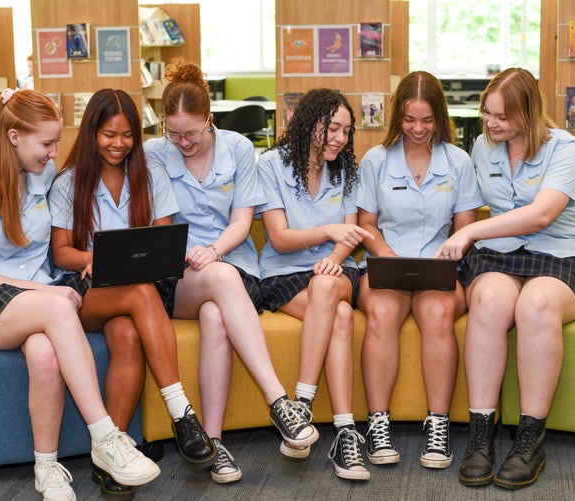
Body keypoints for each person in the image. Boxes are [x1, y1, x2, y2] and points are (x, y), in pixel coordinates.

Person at [0, 88, 159, 501]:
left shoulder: (44, 175)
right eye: (46, 143)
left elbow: (61, 246)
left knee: (46, 358)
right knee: (58, 305)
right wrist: (45, 291)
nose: (55, 152)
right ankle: (106, 437)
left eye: (56, 141)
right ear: (14, 136)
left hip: (39, 304)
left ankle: (46, 467)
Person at [143, 58, 319, 484]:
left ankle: (215, 441)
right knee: (218, 282)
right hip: (177, 272)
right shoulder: (153, 154)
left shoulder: (239, 148)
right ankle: (279, 401)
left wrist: (215, 251)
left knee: (215, 315)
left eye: (192, 132)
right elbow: (159, 225)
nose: (183, 142)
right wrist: (195, 255)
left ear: (210, 119)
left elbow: (242, 222)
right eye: (174, 133)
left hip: (232, 264)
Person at [435, 68, 575, 490]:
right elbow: (466, 202)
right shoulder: (481, 146)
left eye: (502, 117)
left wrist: (470, 232)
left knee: (536, 304)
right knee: (490, 300)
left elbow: (542, 215)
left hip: (562, 257)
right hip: (502, 257)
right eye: (487, 114)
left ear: (528, 112)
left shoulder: (566, 147)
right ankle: (480, 434)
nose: (491, 124)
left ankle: (530, 438)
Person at [48, 88, 217, 500]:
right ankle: (182, 412)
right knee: (141, 294)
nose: (118, 144)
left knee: (127, 335)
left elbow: (163, 239)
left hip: (135, 290)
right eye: (109, 134)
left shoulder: (151, 173)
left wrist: (142, 257)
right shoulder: (68, 182)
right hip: (87, 291)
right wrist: (93, 257)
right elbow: (61, 252)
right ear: (91, 132)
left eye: (127, 135)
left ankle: (110, 456)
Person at [355, 71, 483, 470]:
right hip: (386, 265)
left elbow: (466, 229)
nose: (418, 129)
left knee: (438, 312)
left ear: (440, 118)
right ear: (398, 117)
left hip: (439, 269)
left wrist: (448, 255)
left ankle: (438, 425)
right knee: (381, 312)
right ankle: (378, 424)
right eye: (410, 120)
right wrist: (388, 256)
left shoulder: (459, 161)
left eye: (427, 120)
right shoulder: (376, 160)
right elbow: (367, 225)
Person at [257, 88, 374, 481]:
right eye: (332, 128)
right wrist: (326, 231)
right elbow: (279, 238)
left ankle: (301, 404)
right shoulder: (271, 164)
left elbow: (351, 235)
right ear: (308, 123)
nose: (340, 139)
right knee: (340, 317)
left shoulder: (346, 169)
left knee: (327, 288)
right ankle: (345, 432)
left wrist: (334, 256)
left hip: (338, 269)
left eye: (346, 131)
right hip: (282, 273)